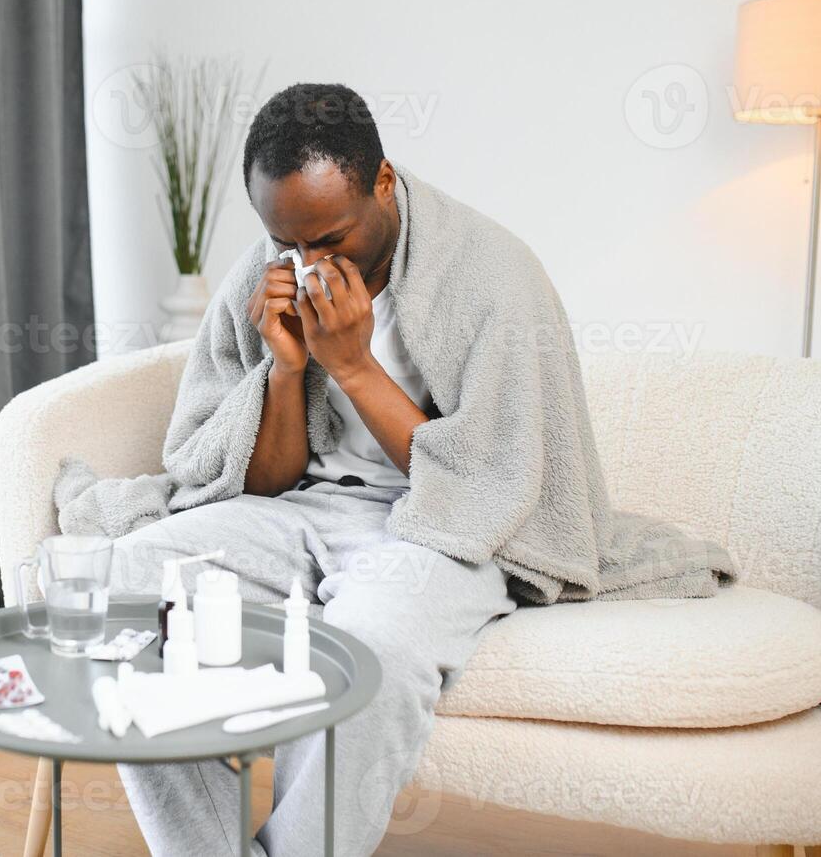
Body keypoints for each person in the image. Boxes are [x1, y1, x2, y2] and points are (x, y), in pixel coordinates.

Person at [111, 82, 529, 856]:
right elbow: (261, 479)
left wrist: (356, 368)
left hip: (432, 531)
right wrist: (283, 370)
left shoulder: (487, 274)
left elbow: (482, 485)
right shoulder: (264, 273)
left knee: (367, 641)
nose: (306, 262)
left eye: (329, 238)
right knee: (133, 577)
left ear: (381, 181)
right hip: (303, 511)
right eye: (286, 242)